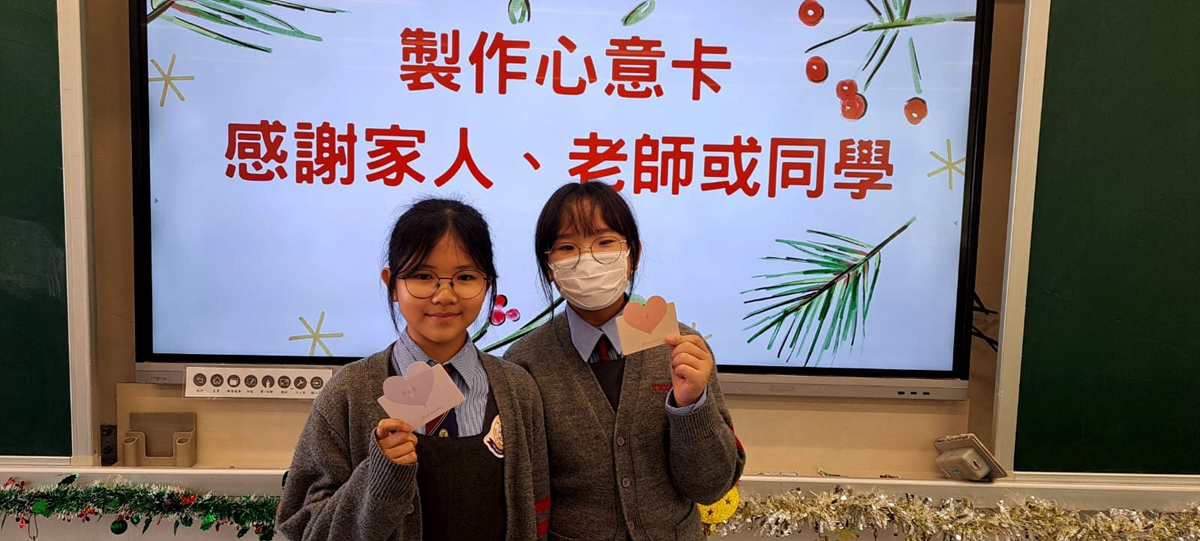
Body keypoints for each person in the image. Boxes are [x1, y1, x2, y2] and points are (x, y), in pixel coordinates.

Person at [277, 198, 550, 541]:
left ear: (487, 283)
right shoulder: (348, 393)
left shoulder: (518, 390)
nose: (445, 295)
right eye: (423, 276)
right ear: (391, 284)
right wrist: (379, 478)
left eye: (465, 277)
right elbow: (302, 527)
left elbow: (538, 510)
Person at [505, 181, 745, 541]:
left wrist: (692, 407)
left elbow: (710, 486)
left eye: (605, 242)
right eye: (567, 248)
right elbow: (525, 494)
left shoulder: (681, 348)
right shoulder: (525, 363)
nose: (587, 260)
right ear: (549, 267)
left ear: (633, 254)